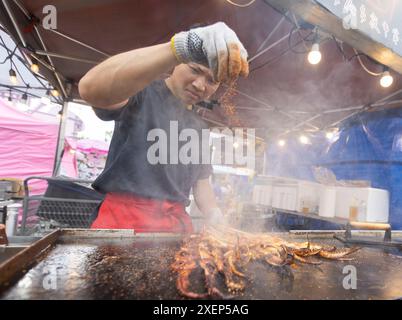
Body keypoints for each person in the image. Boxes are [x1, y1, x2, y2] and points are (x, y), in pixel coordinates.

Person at [78, 22, 249, 233]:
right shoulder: (140, 93)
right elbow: (90, 89)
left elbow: (201, 182)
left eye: (212, 81)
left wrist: (217, 218)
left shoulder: (199, 128)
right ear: (175, 64)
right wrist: (177, 48)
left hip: (173, 229)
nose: (200, 85)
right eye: (195, 70)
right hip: (122, 224)